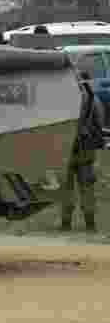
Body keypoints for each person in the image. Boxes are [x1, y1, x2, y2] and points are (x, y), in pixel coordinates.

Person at [62, 72, 104, 232]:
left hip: (66, 149)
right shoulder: (94, 99)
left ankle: (66, 222)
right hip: (86, 149)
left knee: (66, 187)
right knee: (87, 188)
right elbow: (99, 122)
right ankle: (90, 223)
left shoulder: (64, 98)